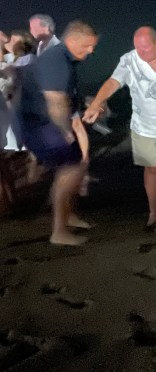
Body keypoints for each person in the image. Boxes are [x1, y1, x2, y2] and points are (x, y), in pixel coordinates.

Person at [82, 27, 156, 227]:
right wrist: (96, 103)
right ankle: (154, 212)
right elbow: (113, 82)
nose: (141, 53)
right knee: (152, 168)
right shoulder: (129, 60)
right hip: (145, 126)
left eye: (145, 48)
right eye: (137, 48)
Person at [18, 21, 98, 245]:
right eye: (87, 45)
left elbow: (72, 110)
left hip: (48, 122)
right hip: (38, 125)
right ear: (71, 40)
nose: (91, 51)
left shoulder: (66, 61)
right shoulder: (56, 60)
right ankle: (59, 231)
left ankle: (69, 216)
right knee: (69, 169)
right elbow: (56, 102)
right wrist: (66, 133)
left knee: (78, 163)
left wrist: (84, 153)